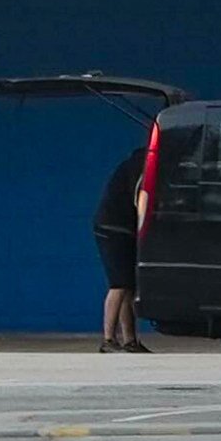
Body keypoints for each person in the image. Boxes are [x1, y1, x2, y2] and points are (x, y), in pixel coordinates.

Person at [93, 143, 146, 352]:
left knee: (128, 285)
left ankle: (130, 340)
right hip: (113, 228)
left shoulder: (132, 164)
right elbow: (141, 200)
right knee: (118, 284)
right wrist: (145, 230)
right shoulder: (142, 167)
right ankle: (107, 340)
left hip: (120, 227)